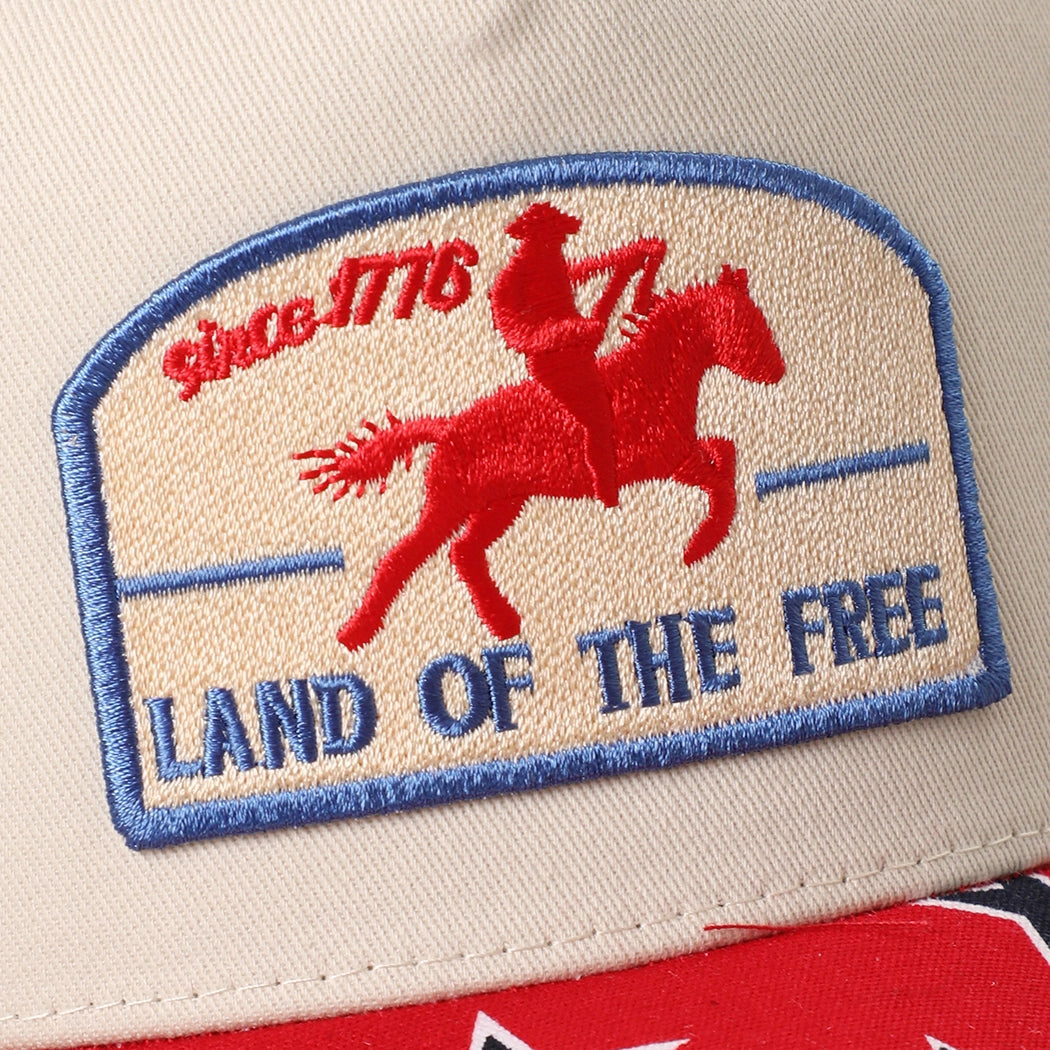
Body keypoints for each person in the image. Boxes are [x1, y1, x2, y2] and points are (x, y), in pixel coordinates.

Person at [489, 201, 665, 508]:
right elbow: (511, 329)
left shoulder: (551, 263)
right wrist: (563, 332)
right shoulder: (512, 278)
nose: (560, 241)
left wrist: (625, 258)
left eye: (560, 235)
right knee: (598, 422)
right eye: (555, 235)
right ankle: (606, 496)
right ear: (535, 236)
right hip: (552, 362)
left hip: (579, 348)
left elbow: (584, 270)